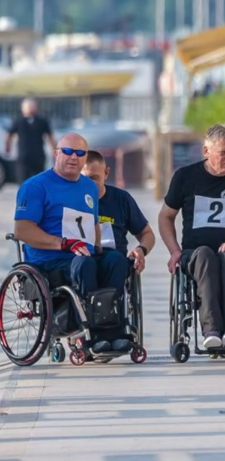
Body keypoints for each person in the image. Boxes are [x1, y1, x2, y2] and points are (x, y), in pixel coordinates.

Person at [13, 133, 132, 353]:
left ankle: (114, 330)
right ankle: (93, 334)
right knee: (84, 265)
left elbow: (93, 224)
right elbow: (22, 230)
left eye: (79, 153)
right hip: (50, 260)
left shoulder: (88, 187)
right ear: (56, 153)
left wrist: (98, 249)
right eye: (67, 151)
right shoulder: (36, 186)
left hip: (83, 254)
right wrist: (63, 243)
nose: (73, 157)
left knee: (116, 260)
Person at [158, 124, 225, 349]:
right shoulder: (185, 176)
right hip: (195, 254)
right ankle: (212, 330)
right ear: (206, 151)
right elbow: (166, 216)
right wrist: (174, 250)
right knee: (206, 255)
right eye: (223, 152)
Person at [81, 151, 156, 272]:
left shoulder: (122, 199)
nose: (89, 184)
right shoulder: (70, 200)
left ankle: (112, 291)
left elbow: (147, 233)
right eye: (83, 179)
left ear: (106, 173)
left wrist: (141, 249)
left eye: (94, 178)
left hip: (113, 260)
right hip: (82, 258)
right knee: (82, 263)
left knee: (116, 259)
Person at [6, 98, 56, 183]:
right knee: (38, 181)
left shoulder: (19, 122)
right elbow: (50, 138)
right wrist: (54, 151)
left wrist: (8, 148)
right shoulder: (42, 121)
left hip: (25, 156)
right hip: (35, 156)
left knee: (24, 182)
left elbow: (9, 136)